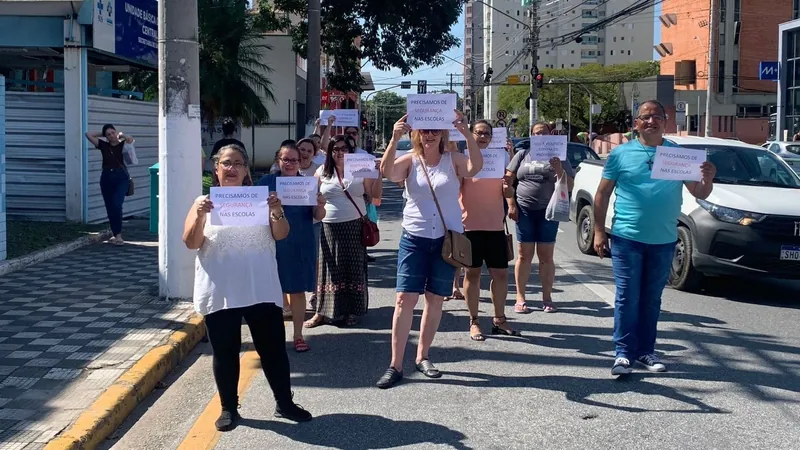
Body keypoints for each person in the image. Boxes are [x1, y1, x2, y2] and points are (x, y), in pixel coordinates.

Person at [183, 144, 312, 431]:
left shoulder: (261, 200)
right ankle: (229, 407)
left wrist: (277, 210)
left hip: (260, 288)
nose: (232, 169)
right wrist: (202, 215)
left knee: (274, 350)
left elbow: (281, 235)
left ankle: (284, 403)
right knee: (225, 351)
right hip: (221, 290)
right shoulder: (202, 201)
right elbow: (191, 242)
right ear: (216, 168)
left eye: (238, 163)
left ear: (246, 170)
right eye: (226, 163)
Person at [593, 100, 716, 376]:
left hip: (663, 240)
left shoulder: (679, 155)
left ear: (665, 122)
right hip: (627, 237)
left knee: (651, 299)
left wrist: (708, 179)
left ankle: (645, 351)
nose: (651, 121)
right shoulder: (621, 155)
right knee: (627, 297)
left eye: (657, 117)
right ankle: (623, 353)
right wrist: (600, 231)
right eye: (645, 117)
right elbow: (602, 194)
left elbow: (700, 192)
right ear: (636, 123)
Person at [376, 111, 483, 389]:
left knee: (435, 299)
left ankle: (423, 357)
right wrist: (394, 136)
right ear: (417, 133)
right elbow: (387, 172)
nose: (430, 133)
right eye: (424, 129)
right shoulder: (410, 160)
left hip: (446, 240)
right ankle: (395, 365)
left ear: (443, 132)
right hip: (414, 237)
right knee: (404, 300)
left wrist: (467, 132)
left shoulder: (452, 160)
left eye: (435, 129)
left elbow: (475, 167)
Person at [304, 135, 383, 328]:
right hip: (329, 226)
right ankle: (321, 312)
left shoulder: (359, 169)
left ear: (350, 151)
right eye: (335, 148)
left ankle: (350, 311)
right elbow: (310, 197)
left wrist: (377, 174)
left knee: (352, 268)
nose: (339, 152)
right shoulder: (322, 171)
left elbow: (373, 196)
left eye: (343, 148)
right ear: (330, 152)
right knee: (327, 269)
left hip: (354, 225)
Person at [258, 143, 327, 353]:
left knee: (296, 290)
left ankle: (298, 335)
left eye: (294, 160)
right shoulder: (266, 182)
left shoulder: (307, 184)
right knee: (271, 291)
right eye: (285, 159)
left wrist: (321, 205)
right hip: (270, 242)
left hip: (299, 242)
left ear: (301, 162)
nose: (289, 164)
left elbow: (318, 216)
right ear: (278, 160)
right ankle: (273, 336)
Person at [506, 121, 575, 314]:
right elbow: (508, 180)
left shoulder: (559, 156)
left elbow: (568, 186)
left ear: (550, 134)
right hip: (524, 210)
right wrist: (511, 204)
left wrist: (559, 168)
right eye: (536, 133)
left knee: (546, 257)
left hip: (548, 212)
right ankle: (520, 298)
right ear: (531, 136)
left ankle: (547, 298)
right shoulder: (522, 155)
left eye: (543, 132)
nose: (539, 136)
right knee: (524, 255)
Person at [460, 120, 520, 340]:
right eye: (479, 133)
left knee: (501, 274)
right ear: (472, 134)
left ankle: (499, 319)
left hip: (495, 225)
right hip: (469, 225)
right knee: (472, 274)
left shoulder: (502, 158)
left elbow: (507, 192)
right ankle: (474, 320)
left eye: (487, 133)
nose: (483, 136)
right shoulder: (463, 157)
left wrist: (508, 187)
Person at [85, 124, 133, 246]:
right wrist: (102, 133)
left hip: (121, 177)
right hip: (106, 177)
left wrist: (121, 135)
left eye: (112, 132)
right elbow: (88, 134)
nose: (111, 136)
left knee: (117, 204)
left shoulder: (123, 144)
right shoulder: (103, 145)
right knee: (110, 207)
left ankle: (119, 235)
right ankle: (115, 234)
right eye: (108, 134)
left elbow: (130, 139)